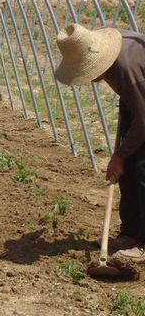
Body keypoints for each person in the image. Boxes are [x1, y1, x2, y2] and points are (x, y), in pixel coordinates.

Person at [54, 23, 145, 263]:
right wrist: (122, 154)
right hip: (139, 103)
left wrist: (120, 155)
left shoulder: (127, 68)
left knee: (142, 170)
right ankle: (131, 234)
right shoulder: (109, 41)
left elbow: (144, 121)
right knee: (128, 170)